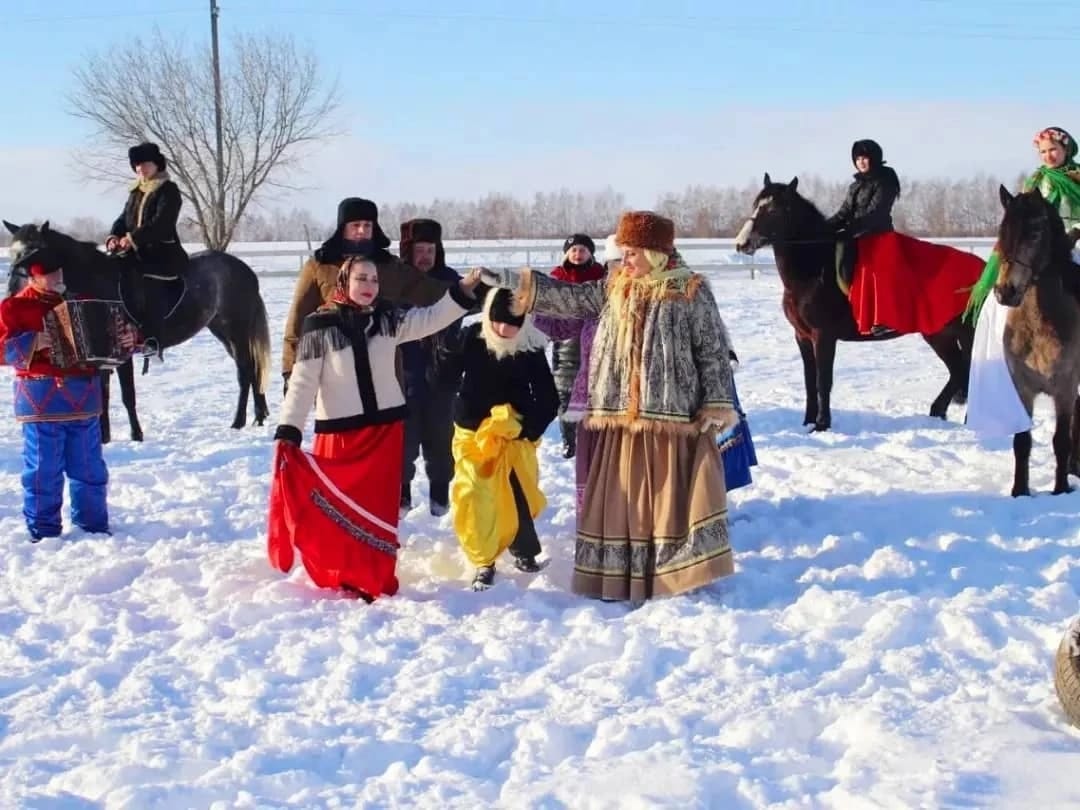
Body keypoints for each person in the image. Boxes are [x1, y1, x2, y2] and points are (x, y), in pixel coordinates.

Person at [479, 211, 739, 602]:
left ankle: (672, 573)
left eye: (633, 252)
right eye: (625, 251)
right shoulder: (613, 286)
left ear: (655, 253)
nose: (625, 260)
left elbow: (712, 350)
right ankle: (620, 574)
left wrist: (715, 404)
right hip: (618, 415)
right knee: (625, 502)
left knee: (668, 502)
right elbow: (566, 297)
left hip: (671, 416)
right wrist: (512, 281)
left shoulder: (690, 290)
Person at [268, 250, 481, 600]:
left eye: (373, 279)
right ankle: (342, 573)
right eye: (360, 279)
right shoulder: (318, 326)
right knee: (339, 512)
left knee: (377, 511)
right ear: (344, 281)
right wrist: (289, 429)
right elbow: (303, 383)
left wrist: (463, 289)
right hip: (339, 434)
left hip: (385, 433)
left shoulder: (388, 318)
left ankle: (375, 574)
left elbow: (431, 318)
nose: (368, 285)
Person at [0, 247, 133, 541]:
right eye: (49, 273)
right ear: (33, 277)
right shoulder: (13, 308)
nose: (57, 277)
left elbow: (114, 340)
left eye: (59, 271)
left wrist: (127, 338)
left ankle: (93, 525)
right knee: (44, 470)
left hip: (84, 398)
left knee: (89, 468)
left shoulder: (80, 302)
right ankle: (43, 531)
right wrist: (33, 342)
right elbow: (2, 349)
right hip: (42, 400)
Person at [965, 126, 1080, 439]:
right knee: (1000, 301)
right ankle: (1002, 369)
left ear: (1066, 150)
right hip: (1042, 251)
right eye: (1043, 152)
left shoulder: (1078, 179)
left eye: (1053, 149)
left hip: (1075, 245)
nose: (1048, 156)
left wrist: (1072, 236)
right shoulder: (1035, 182)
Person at [281, 198, 458, 393]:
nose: (362, 231)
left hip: (385, 374)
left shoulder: (390, 266)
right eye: (355, 225)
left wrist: (473, 292)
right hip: (336, 373)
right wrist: (291, 372)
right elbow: (297, 322)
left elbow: (430, 291)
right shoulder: (319, 266)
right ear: (342, 228)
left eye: (367, 225)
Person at [450, 287, 559, 590]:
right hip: (473, 433)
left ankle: (524, 552)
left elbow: (548, 397)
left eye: (513, 323)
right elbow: (442, 377)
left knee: (517, 494)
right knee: (475, 495)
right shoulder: (471, 337)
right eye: (499, 321)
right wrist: (446, 350)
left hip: (514, 433)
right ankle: (483, 561)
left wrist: (529, 429)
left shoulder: (529, 345)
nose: (505, 329)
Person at [397, 217, 465, 518]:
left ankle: (440, 495)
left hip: (443, 375)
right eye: (419, 249)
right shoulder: (395, 282)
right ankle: (401, 496)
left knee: (441, 439)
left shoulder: (451, 281)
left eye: (430, 249)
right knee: (402, 442)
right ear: (409, 251)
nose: (425, 255)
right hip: (402, 375)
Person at [105, 142, 188, 358]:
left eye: (145, 165)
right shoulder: (136, 191)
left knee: (150, 286)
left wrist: (133, 239)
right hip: (133, 252)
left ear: (156, 164)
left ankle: (151, 338)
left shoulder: (168, 190)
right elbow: (124, 218)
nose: (141, 169)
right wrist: (115, 236)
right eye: (137, 166)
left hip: (160, 253)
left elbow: (162, 223)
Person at [543, 233, 605, 459]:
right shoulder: (556, 278)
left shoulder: (601, 276)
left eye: (583, 250)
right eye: (574, 250)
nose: (578, 254)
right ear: (566, 254)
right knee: (565, 395)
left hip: (595, 343)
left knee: (594, 395)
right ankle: (569, 441)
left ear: (591, 253)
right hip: (565, 346)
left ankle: (593, 439)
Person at [826, 139, 901, 293]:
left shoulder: (885, 181)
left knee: (842, 248)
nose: (861, 162)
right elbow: (844, 212)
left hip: (878, 236)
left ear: (874, 158)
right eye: (857, 159)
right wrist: (823, 227)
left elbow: (877, 213)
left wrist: (850, 231)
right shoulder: (855, 186)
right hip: (856, 234)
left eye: (864, 158)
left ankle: (851, 293)